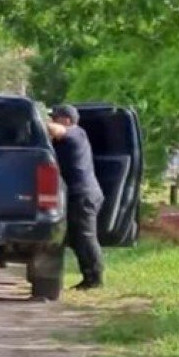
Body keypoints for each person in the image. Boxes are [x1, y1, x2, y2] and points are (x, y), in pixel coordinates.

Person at [47, 105, 105, 290]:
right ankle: (89, 277)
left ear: (66, 120)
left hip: (84, 194)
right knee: (77, 238)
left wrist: (35, 120)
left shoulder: (76, 133)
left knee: (85, 237)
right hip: (77, 194)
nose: (52, 121)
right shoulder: (64, 139)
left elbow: (55, 130)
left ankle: (94, 279)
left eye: (55, 118)